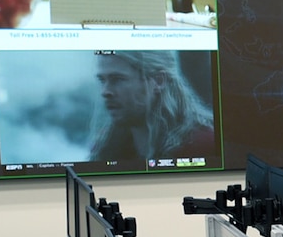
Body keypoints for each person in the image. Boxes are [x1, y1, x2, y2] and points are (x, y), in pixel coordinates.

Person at [88, 52, 216, 166]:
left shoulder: (202, 145)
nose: (105, 91)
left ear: (158, 81)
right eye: (102, 80)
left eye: (118, 79)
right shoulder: (107, 148)